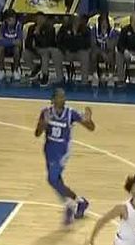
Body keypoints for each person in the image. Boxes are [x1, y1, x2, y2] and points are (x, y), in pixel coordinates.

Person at [34, 88, 95, 224]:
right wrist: (44, 123)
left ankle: (70, 204)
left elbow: (91, 128)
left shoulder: (71, 113)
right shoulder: (46, 112)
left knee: (52, 180)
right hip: (49, 150)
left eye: (64, 96)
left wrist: (89, 120)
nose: (63, 99)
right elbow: (37, 133)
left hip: (62, 152)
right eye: (60, 97)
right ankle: (79, 202)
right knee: (57, 181)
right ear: (53, 99)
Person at [0, 9, 24, 80]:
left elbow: (19, 43)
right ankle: (2, 70)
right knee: (0, 48)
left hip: (15, 50)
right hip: (5, 49)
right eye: (9, 20)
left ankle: (15, 70)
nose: (12, 21)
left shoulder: (19, 26)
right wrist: (12, 42)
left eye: (13, 19)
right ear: (6, 20)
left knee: (17, 49)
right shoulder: (2, 26)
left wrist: (5, 41)